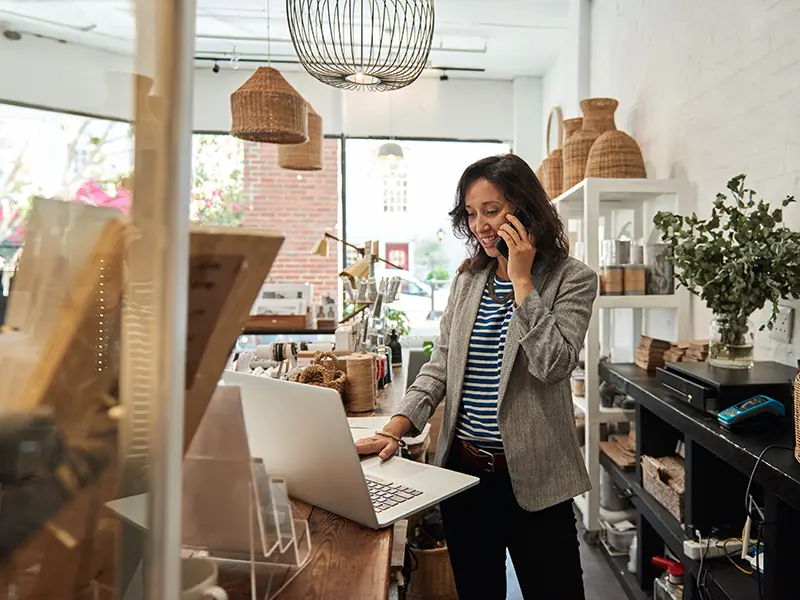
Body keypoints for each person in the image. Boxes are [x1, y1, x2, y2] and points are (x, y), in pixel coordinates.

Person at [356, 154, 597, 600]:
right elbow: (440, 365)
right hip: (465, 478)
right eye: (471, 213)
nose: (480, 225)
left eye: (491, 210)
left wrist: (522, 283)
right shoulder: (468, 281)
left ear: (525, 209)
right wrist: (397, 425)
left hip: (539, 481)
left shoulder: (572, 278)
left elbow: (554, 364)